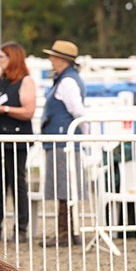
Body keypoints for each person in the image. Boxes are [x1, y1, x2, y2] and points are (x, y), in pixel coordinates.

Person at [0, 42, 36, 242]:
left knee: (17, 182)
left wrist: (2, 110)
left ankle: (21, 229)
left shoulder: (25, 81)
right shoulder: (1, 81)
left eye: (3, 56)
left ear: (13, 58)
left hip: (16, 139)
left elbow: (28, 111)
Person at [39, 39, 86, 244]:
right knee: (64, 186)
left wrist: (84, 133)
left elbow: (77, 111)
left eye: (53, 56)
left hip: (63, 140)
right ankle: (68, 230)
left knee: (64, 186)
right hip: (61, 139)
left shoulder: (67, 82)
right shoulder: (65, 79)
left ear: (62, 59)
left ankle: (65, 232)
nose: (50, 59)